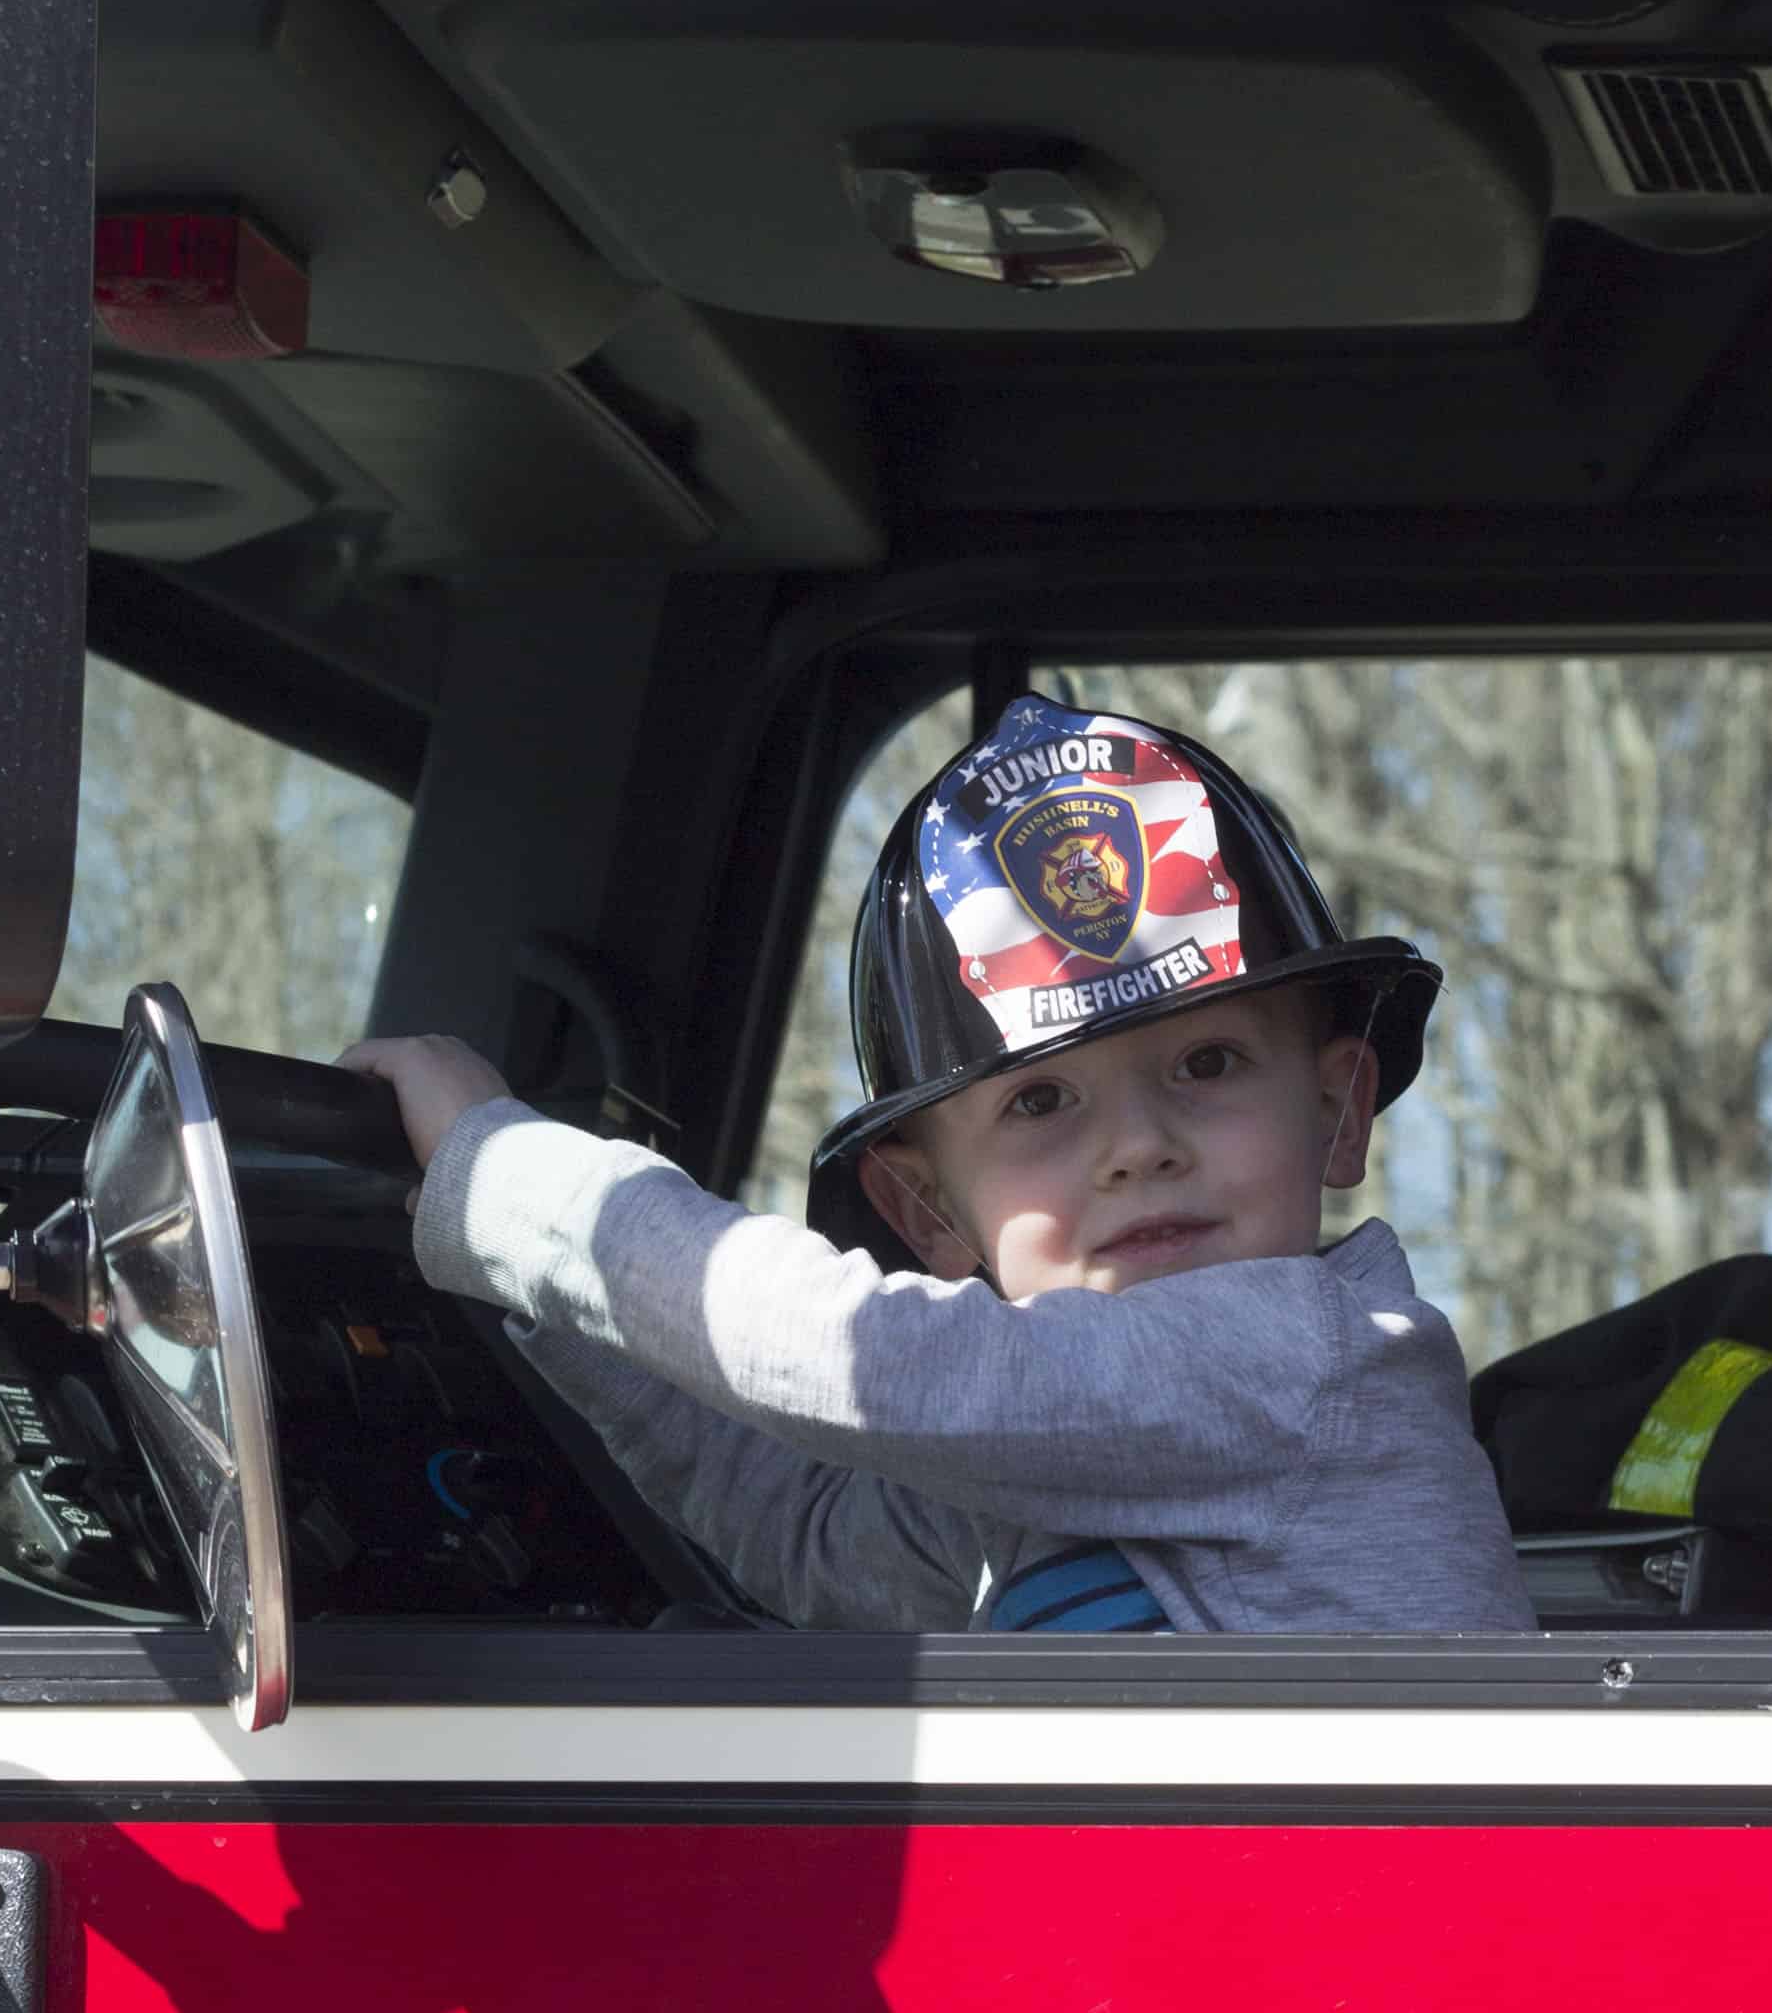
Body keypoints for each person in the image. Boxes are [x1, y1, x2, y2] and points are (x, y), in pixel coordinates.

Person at [346, 693, 1531, 1634]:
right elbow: (807, 1532)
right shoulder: (1063, 1456)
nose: (1139, 1146)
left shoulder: (1307, 1356)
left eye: (1209, 1062)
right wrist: (550, 1304)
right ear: (926, 1204)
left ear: (1335, 1107)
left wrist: (506, 1179)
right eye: (1044, 1099)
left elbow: (864, 1359)